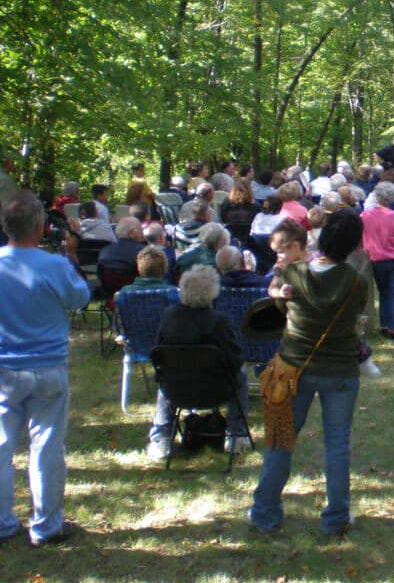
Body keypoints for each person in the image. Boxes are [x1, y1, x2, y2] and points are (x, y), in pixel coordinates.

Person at [248, 210, 369, 536]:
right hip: (340, 371)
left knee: (280, 441)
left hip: (293, 366)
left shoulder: (294, 273)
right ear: (355, 243)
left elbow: (279, 308)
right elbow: (360, 316)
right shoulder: (357, 281)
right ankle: (336, 518)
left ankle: (265, 514)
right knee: (337, 445)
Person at [0, 191, 91, 546]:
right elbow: (81, 298)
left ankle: (4, 523)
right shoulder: (54, 265)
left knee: (2, 446)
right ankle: (46, 525)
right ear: (39, 227)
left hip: (5, 368)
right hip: (48, 368)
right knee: (47, 447)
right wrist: (69, 256)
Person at [146, 265, 250, 460]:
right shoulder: (220, 321)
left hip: (177, 388)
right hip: (217, 388)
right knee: (242, 374)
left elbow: (159, 355)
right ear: (213, 291)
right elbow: (235, 361)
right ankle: (237, 434)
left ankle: (161, 437)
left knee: (165, 382)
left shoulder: (169, 316)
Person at [361, 182, 394, 339]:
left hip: (376, 259)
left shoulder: (365, 216)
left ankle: (384, 325)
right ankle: (392, 327)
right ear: (391, 197)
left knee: (384, 293)